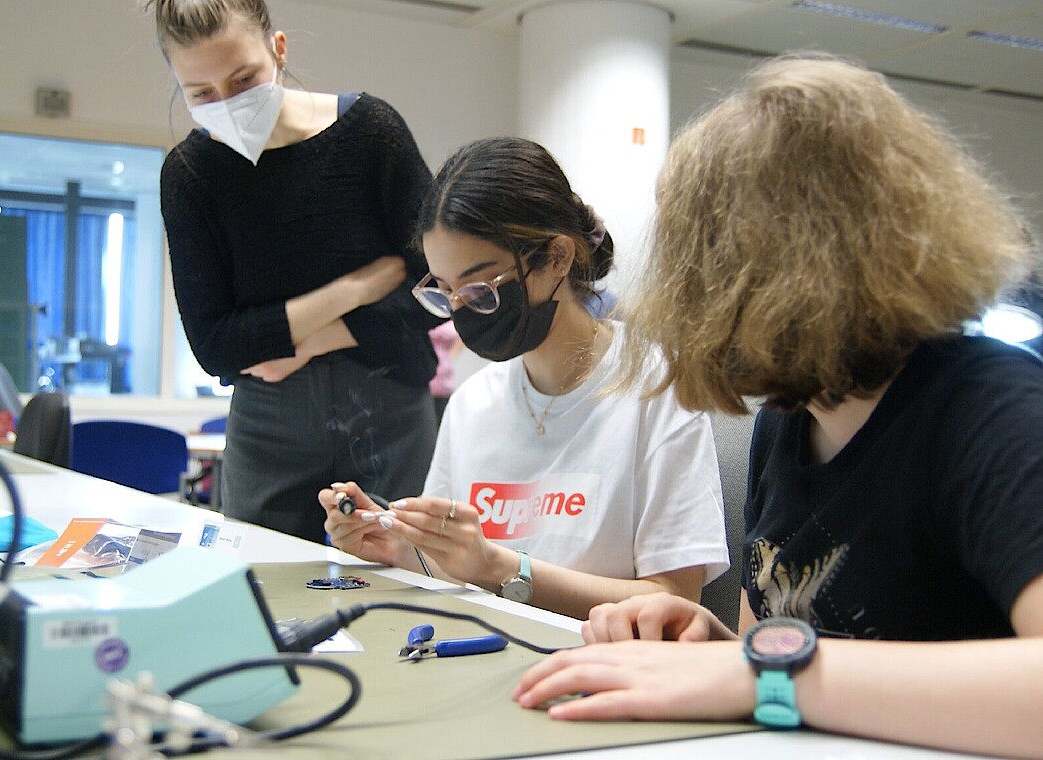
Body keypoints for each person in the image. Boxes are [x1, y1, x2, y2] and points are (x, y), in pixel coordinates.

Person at [512, 54, 1043, 758]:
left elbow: (791, 674)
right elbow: (797, 666)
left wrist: (755, 670)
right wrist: (716, 651)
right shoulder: (789, 420)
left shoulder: (994, 412)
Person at [319, 137, 730, 620]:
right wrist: (395, 546)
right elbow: (453, 566)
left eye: (478, 288)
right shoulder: (474, 404)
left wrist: (503, 568)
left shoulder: (658, 386)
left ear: (558, 257)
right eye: (445, 292)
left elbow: (677, 601)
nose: (460, 312)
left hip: (604, 671)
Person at [147, 0, 440, 543]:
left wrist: (304, 344)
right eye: (201, 94)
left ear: (278, 50)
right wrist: (354, 289)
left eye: (243, 79)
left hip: (390, 405)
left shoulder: (371, 132)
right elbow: (217, 345)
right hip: (269, 422)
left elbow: (434, 288)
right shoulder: (191, 176)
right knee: (260, 586)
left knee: (406, 580)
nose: (227, 103)